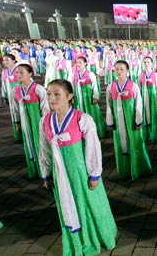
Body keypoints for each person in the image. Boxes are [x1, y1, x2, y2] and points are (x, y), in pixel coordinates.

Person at [39, 79, 117, 255]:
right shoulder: (45, 121)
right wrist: (46, 173)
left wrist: (94, 174)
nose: (51, 98)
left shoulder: (82, 119)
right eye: (49, 93)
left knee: (89, 204)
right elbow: (44, 149)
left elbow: (93, 147)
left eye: (57, 94)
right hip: (60, 174)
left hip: (81, 173)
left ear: (69, 96)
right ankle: (75, 240)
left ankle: (97, 236)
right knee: (67, 205)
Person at [106, 61, 152, 180]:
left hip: (132, 121)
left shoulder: (133, 86)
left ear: (127, 71)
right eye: (116, 69)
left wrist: (138, 120)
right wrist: (110, 120)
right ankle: (124, 171)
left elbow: (139, 104)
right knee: (120, 145)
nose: (119, 71)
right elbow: (109, 105)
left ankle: (138, 169)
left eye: (122, 69)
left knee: (136, 143)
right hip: (118, 121)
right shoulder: (111, 87)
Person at [13, 63, 50, 178]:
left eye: (21, 72)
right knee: (28, 143)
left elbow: (45, 107)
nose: (18, 75)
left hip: (37, 120)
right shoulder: (16, 90)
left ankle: (46, 171)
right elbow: (15, 109)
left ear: (30, 74)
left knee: (41, 143)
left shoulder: (38, 89)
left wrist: (45, 123)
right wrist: (17, 123)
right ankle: (34, 170)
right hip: (25, 122)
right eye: (17, 72)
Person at [69, 56, 106, 139]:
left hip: (88, 98)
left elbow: (94, 86)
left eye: (80, 62)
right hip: (79, 98)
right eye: (77, 62)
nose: (78, 64)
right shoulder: (74, 75)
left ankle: (94, 131)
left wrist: (95, 97)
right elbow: (71, 86)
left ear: (85, 63)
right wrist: (73, 97)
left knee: (92, 114)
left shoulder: (90, 74)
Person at [139, 56, 157, 142]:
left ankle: (155, 133)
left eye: (148, 62)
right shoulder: (141, 75)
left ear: (152, 63)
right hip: (144, 97)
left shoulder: (155, 75)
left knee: (154, 114)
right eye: (145, 62)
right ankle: (146, 134)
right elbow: (138, 87)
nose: (146, 64)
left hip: (153, 97)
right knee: (145, 115)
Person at [1, 53, 22, 140]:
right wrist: (5, 96)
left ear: (13, 61)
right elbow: (4, 85)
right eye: (4, 60)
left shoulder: (19, 70)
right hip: (10, 96)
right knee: (14, 112)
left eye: (7, 60)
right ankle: (18, 134)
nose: (5, 62)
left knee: (21, 112)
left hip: (20, 95)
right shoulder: (4, 72)